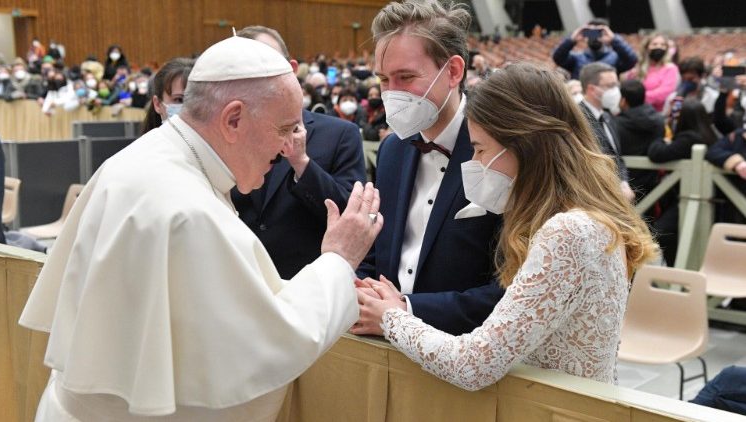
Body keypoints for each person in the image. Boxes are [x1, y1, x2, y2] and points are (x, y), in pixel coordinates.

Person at [19, 36, 382, 421]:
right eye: (285, 128)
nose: (288, 147)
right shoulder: (187, 211)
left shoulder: (142, 160)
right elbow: (272, 343)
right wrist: (339, 260)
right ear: (233, 119)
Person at [357, 62, 658, 390]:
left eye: (480, 148)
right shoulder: (579, 218)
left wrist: (390, 317)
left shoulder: (568, 232)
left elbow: (473, 365)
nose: (473, 163)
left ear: (524, 143)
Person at [354, 0, 505, 336]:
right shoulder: (393, 149)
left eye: (405, 77)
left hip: (465, 352)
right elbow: (384, 255)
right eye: (383, 80)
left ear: (453, 71)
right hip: (387, 347)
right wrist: (357, 284)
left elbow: (513, 288)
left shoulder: (501, 148)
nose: (391, 94)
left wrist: (406, 312)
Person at [231, 25, 366, 279]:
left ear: (291, 69)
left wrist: (302, 164)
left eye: (266, 66)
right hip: (241, 284)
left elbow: (352, 218)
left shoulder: (339, 134)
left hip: (310, 286)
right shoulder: (228, 134)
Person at [648, 99, 717, 265]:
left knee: (660, 234)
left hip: (689, 197)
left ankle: (671, 279)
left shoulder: (688, 138)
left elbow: (656, 154)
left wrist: (663, 139)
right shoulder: (710, 134)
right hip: (706, 198)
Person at [578, 62, 635, 201]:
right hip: (592, 197)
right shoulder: (577, 118)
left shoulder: (608, 117)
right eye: (610, 86)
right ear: (591, 89)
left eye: (617, 85)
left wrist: (623, 182)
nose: (616, 90)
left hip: (615, 196)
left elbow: (617, 157)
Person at [615, 79, 665, 199]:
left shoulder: (616, 124)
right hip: (652, 182)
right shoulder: (658, 119)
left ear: (623, 100)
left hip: (625, 184)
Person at [552, 18, 637, 80]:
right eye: (591, 33)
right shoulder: (576, 58)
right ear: (586, 35)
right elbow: (557, 58)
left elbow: (631, 60)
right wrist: (571, 40)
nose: (595, 37)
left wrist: (613, 40)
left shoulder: (615, 58)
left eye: (599, 33)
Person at [626, 33, 679, 112]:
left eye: (662, 45)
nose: (659, 47)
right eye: (654, 44)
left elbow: (664, 93)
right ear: (647, 47)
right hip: (635, 111)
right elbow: (629, 88)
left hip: (657, 114)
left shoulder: (670, 68)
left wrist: (637, 98)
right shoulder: (638, 67)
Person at [141, 58, 195, 133]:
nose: (188, 109)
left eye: (195, 100)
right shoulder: (146, 144)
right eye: (179, 100)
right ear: (157, 104)